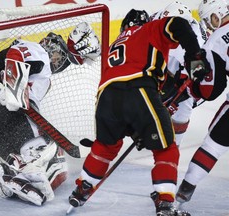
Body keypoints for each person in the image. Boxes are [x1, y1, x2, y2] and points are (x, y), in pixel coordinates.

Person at [68, 8, 211, 216]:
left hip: (105, 98)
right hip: (139, 88)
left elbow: (119, 86)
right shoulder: (148, 29)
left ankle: (83, 187)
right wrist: (195, 57)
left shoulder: (114, 46)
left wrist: (136, 126)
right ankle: (164, 202)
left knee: (105, 147)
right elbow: (180, 24)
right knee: (166, 147)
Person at [0, 22, 101, 206]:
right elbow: (7, 55)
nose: (59, 63)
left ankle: (5, 181)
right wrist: (13, 85)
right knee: (48, 152)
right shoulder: (37, 50)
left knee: (56, 162)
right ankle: (24, 173)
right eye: (58, 56)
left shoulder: (45, 79)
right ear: (52, 47)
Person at [176, 0, 228, 205]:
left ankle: (186, 189)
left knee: (213, 145)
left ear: (218, 13)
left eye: (209, 19)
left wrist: (191, 89)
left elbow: (211, 90)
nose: (208, 25)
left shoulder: (214, 41)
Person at [151, 1, 207, 146]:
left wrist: (176, 97)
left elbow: (198, 78)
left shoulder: (194, 41)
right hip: (163, 64)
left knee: (185, 105)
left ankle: (174, 145)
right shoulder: (156, 19)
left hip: (182, 71)